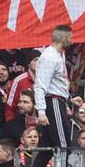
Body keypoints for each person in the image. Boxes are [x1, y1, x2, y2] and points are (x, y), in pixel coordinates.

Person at [34, 24, 74, 153]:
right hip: (53, 102)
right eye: (70, 38)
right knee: (63, 145)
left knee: (47, 148)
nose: (72, 41)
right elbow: (40, 85)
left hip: (57, 102)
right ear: (64, 39)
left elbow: (57, 84)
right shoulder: (50, 57)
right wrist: (41, 112)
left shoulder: (56, 55)